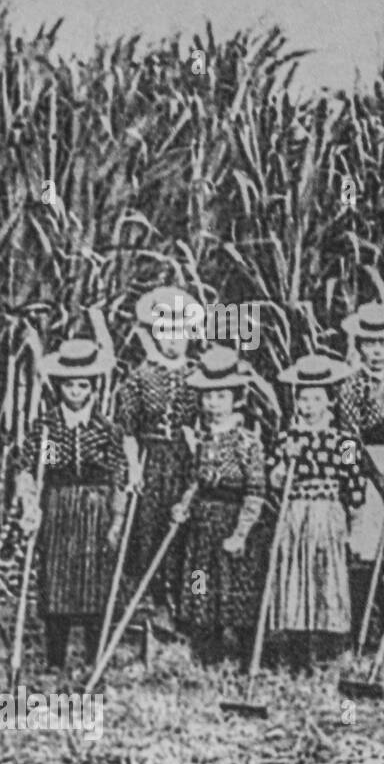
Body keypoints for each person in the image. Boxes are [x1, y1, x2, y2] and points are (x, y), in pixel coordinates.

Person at [16, 340, 127, 675]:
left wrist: (117, 519)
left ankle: (94, 658)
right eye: (69, 385)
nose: (76, 392)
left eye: (83, 385)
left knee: (95, 583)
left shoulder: (107, 430)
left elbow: (118, 476)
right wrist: (30, 505)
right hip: (59, 508)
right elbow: (31, 468)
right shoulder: (47, 427)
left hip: (96, 509)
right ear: (58, 386)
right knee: (56, 583)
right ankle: (55, 659)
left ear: (93, 389)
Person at [267, 355, 367, 675]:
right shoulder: (286, 438)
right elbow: (274, 481)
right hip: (295, 513)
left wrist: (352, 522)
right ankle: (298, 652)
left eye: (316, 398)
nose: (309, 405)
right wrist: (286, 460)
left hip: (328, 512)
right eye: (303, 399)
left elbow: (354, 484)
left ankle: (330, 648)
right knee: (296, 577)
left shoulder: (344, 440)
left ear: (330, 401)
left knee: (326, 575)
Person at [170, 347, 269, 668]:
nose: (214, 403)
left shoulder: (247, 442)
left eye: (221, 396)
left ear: (236, 399)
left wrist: (241, 533)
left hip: (233, 523)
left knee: (236, 587)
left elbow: (255, 491)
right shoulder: (202, 439)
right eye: (208, 396)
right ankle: (206, 648)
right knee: (200, 582)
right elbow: (196, 482)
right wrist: (183, 506)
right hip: (202, 527)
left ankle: (245, 652)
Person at [115, 286, 202, 631]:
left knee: (192, 535)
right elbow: (127, 431)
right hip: (152, 460)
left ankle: (193, 603)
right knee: (150, 533)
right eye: (165, 331)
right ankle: (157, 604)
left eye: (180, 332)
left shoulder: (199, 375)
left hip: (188, 462)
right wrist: (134, 468)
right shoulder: (139, 377)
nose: (172, 340)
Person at [335, 302, 384, 634]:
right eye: (370, 344)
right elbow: (348, 441)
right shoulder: (351, 386)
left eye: (383, 344)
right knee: (363, 547)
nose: (377, 351)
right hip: (365, 475)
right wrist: (359, 481)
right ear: (360, 346)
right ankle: (359, 625)